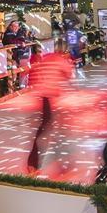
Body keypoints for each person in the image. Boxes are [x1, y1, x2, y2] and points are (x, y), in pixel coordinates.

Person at [27, 43, 72, 172]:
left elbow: (36, 71)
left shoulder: (47, 57)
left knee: (48, 126)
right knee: (48, 127)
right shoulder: (61, 60)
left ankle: (37, 161)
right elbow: (68, 74)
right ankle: (34, 162)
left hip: (44, 95)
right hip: (49, 96)